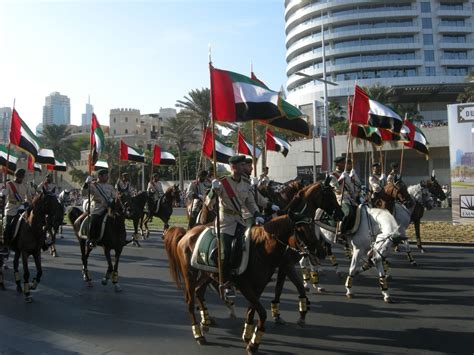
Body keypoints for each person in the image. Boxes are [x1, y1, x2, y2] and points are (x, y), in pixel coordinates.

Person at [205, 155, 263, 299]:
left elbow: (250, 202)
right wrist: (213, 190)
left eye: (245, 165)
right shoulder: (223, 183)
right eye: (242, 165)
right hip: (226, 222)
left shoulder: (245, 182)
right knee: (227, 252)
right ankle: (225, 283)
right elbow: (208, 204)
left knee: (251, 246)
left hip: (241, 220)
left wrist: (256, 214)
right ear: (234, 167)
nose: (245, 167)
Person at [78, 169, 118, 248]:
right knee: (94, 221)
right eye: (106, 175)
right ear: (100, 176)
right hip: (98, 208)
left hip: (109, 208)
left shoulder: (110, 186)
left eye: (107, 175)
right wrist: (86, 183)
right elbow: (83, 193)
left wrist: (113, 200)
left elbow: (115, 197)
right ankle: (91, 240)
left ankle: (120, 237)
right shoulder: (92, 185)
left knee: (119, 219)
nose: (108, 177)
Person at [242, 157, 279, 226]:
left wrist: (270, 205)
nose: (252, 168)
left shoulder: (249, 181)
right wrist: (254, 185)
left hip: (256, 213)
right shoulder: (240, 182)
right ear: (242, 167)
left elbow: (258, 197)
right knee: (249, 234)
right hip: (246, 215)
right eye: (249, 166)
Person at [2, 169, 32, 247]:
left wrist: (27, 203)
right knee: (7, 226)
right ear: (15, 176)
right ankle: (6, 244)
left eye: (21, 177)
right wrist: (3, 192)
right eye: (19, 177)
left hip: (22, 208)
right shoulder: (9, 184)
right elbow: (4, 195)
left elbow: (29, 198)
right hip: (11, 208)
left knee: (33, 223)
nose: (20, 179)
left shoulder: (26, 185)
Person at [329, 156, 359, 234]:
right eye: (343, 163)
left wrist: (353, 177)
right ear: (337, 164)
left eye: (345, 163)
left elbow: (354, 187)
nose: (345, 165)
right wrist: (341, 179)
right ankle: (341, 231)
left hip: (350, 198)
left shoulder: (347, 174)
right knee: (348, 212)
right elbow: (334, 188)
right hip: (340, 198)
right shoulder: (332, 175)